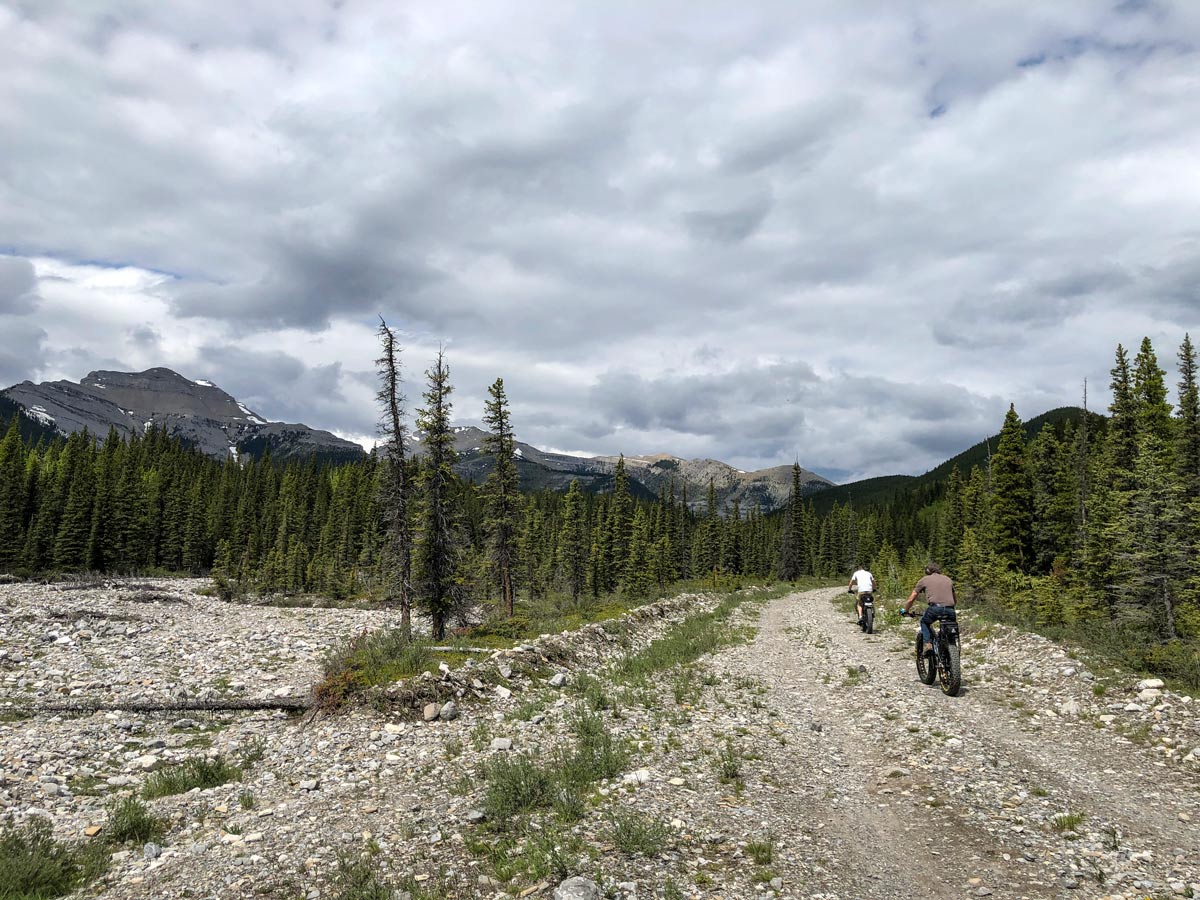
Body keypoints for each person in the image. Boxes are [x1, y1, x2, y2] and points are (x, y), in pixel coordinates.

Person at [903, 563, 956, 656]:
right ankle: (952, 649)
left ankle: (928, 644)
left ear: (927, 571)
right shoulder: (948, 579)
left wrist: (906, 610)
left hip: (935, 608)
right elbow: (955, 599)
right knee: (950, 631)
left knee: (924, 622)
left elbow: (912, 598)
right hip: (950, 609)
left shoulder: (924, 580)